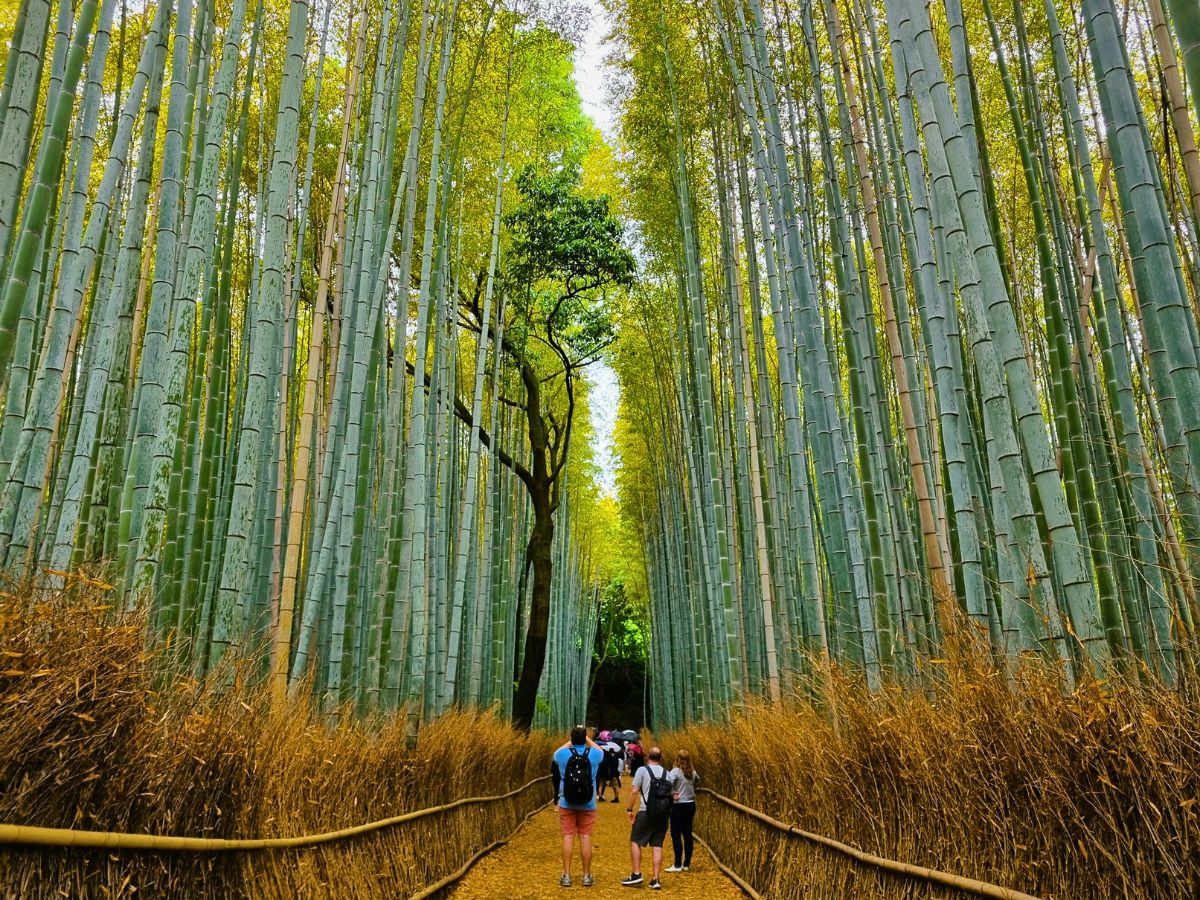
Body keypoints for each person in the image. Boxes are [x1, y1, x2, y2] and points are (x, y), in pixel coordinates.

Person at [553, 725, 604, 888]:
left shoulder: (562, 754)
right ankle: (586, 876)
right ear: (584, 739)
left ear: (571, 738)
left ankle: (566, 875)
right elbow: (600, 750)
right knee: (585, 837)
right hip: (588, 803)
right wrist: (588, 739)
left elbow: (556, 753)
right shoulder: (594, 754)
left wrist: (571, 741)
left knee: (568, 836)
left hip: (566, 802)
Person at [622, 746, 671, 890]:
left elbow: (634, 791)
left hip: (646, 812)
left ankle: (636, 874)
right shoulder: (667, 773)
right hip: (662, 815)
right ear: (661, 758)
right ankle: (656, 879)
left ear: (648, 756)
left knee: (635, 841)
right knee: (657, 846)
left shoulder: (642, 770)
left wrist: (629, 809)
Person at [664, 750, 699, 873]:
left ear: (677, 758)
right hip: (691, 805)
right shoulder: (693, 772)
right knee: (687, 834)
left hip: (679, 805)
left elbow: (667, 784)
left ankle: (677, 864)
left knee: (676, 834)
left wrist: (673, 793)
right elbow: (697, 780)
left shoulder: (675, 771)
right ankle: (686, 864)